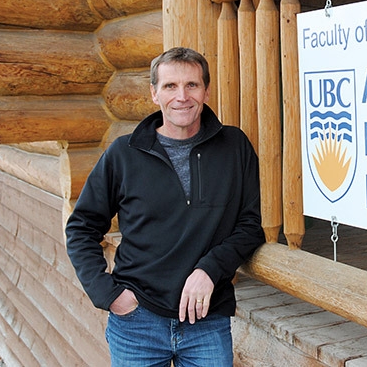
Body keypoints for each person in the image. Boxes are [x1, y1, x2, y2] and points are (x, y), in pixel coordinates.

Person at [66, 46, 265, 366]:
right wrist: (108, 294)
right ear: (154, 93)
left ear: (206, 91)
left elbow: (251, 224)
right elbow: (81, 227)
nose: (181, 96)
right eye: (170, 86)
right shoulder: (124, 153)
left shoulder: (234, 146)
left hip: (208, 321)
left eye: (192, 85)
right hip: (136, 323)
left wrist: (210, 269)